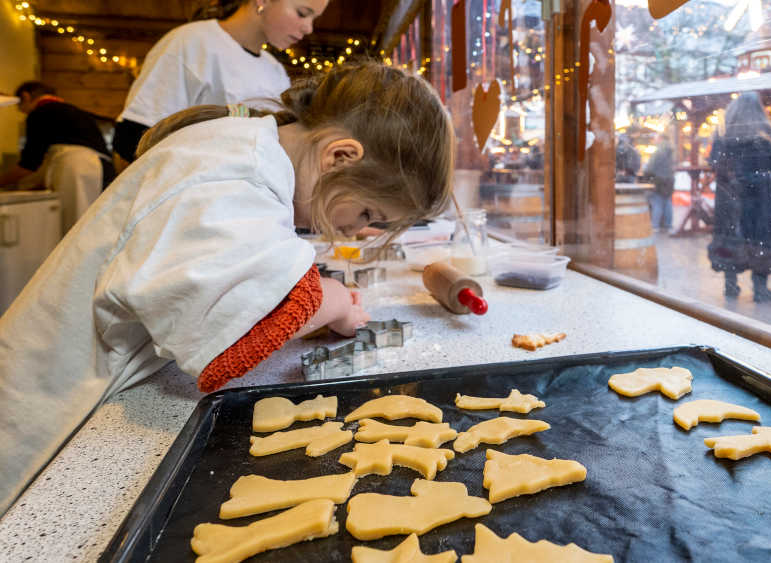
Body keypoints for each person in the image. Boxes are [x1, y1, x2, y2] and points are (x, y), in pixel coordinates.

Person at [0, 62, 454, 513]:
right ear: (338, 158)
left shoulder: (244, 150)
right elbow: (232, 336)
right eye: (369, 215)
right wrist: (332, 302)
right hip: (43, 421)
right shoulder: (236, 175)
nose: (357, 231)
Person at [112, 0, 328, 163]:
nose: (308, 28)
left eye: (315, 19)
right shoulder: (191, 42)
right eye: (302, 13)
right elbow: (133, 137)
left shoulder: (276, 71)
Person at [0, 82, 115, 233]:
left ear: (25, 97)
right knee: (94, 227)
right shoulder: (75, 111)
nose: (23, 113)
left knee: (75, 230)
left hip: (78, 170)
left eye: (21, 109)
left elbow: (28, 165)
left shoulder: (40, 112)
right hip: (103, 170)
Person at [708, 92, 771, 303]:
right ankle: (760, 290)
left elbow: (713, 162)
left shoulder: (722, 138)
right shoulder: (762, 139)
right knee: (760, 240)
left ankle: (731, 286)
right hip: (758, 199)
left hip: (729, 198)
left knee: (730, 239)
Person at [643, 134, 675, 232]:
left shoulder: (658, 152)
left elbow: (649, 169)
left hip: (659, 180)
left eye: (655, 139)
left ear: (660, 139)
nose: (654, 141)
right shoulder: (672, 151)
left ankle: (655, 225)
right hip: (670, 180)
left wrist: (646, 174)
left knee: (657, 202)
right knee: (667, 202)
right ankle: (668, 224)